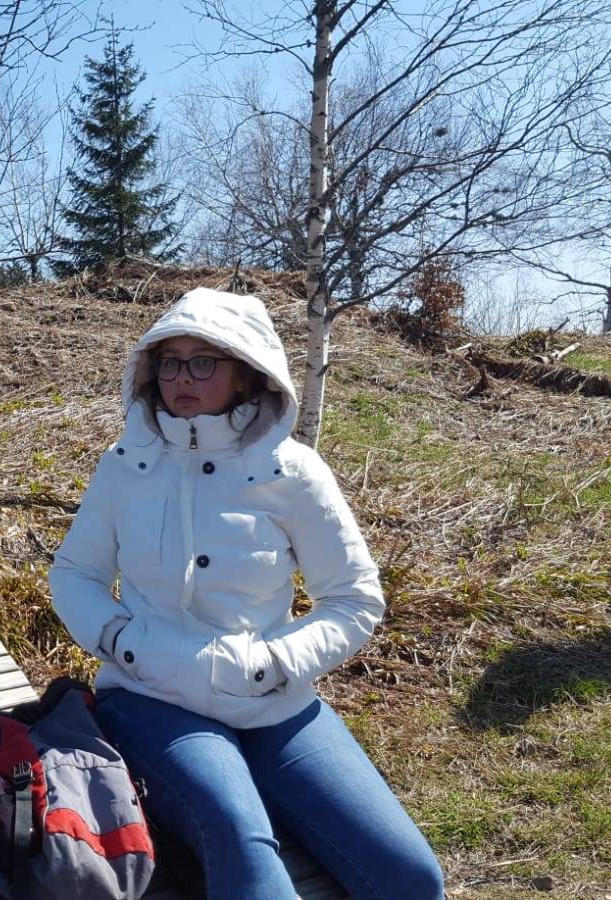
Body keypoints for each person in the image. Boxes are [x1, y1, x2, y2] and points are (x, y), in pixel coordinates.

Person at [49, 288, 443, 899]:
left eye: (204, 361)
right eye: (170, 362)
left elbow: (354, 598)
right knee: (243, 842)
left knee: (409, 876)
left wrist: (275, 663)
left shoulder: (294, 470)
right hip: (151, 697)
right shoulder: (125, 464)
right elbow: (75, 573)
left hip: (272, 703)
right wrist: (124, 643)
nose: (182, 377)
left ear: (248, 373)